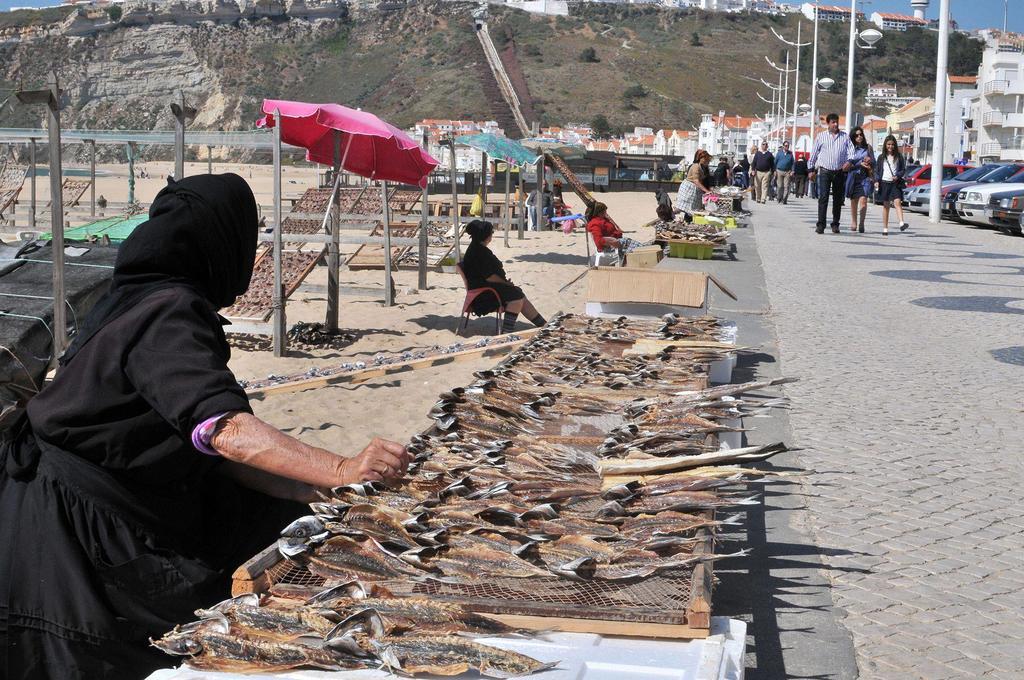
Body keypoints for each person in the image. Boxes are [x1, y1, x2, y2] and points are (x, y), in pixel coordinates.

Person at [0, 174, 412, 680]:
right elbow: (224, 431)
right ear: (220, 241)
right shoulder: (168, 312)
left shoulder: (130, 297)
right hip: (77, 530)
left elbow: (208, 448)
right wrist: (342, 467)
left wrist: (323, 488)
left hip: (70, 503)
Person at [461, 219, 546, 333]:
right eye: (491, 233)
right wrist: (505, 283)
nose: (492, 235)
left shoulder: (476, 248)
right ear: (486, 236)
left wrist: (505, 283)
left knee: (518, 294)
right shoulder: (478, 252)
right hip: (483, 294)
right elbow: (489, 276)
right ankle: (507, 331)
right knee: (516, 298)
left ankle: (543, 325)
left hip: (486, 288)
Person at [808, 113, 855, 234]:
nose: (835, 124)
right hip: (824, 171)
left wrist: (849, 162)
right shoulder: (821, 136)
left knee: (837, 199)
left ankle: (835, 224)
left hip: (839, 171)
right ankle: (821, 225)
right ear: (828, 123)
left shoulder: (844, 137)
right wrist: (810, 169)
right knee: (823, 198)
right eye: (833, 122)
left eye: (837, 122)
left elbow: (851, 152)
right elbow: (813, 154)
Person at [876, 134, 910, 235]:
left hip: (895, 183)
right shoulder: (881, 157)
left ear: (895, 145)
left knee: (897, 203)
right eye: (888, 144)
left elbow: (903, 169)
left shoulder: (899, 157)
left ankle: (901, 223)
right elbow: (877, 170)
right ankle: (885, 229)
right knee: (886, 206)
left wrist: (898, 176)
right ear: (885, 145)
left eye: (892, 144)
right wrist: (876, 181)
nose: (890, 146)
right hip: (884, 183)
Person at [845, 126, 875, 233]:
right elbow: (847, 165)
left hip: (865, 177)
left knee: (863, 201)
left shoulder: (868, 148)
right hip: (853, 177)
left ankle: (862, 223)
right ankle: (854, 222)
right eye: (857, 135)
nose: (859, 137)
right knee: (854, 202)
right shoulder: (850, 148)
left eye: (861, 134)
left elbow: (874, 163)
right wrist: (859, 164)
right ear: (853, 137)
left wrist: (869, 161)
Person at [673, 150, 712, 215]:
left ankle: (687, 218)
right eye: (705, 158)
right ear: (700, 158)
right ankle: (669, 215)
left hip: (695, 188)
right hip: (689, 188)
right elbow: (696, 180)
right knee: (684, 207)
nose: (707, 160)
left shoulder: (703, 167)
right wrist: (707, 191)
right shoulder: (695, 166)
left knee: (691, 208)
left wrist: (707, 190)